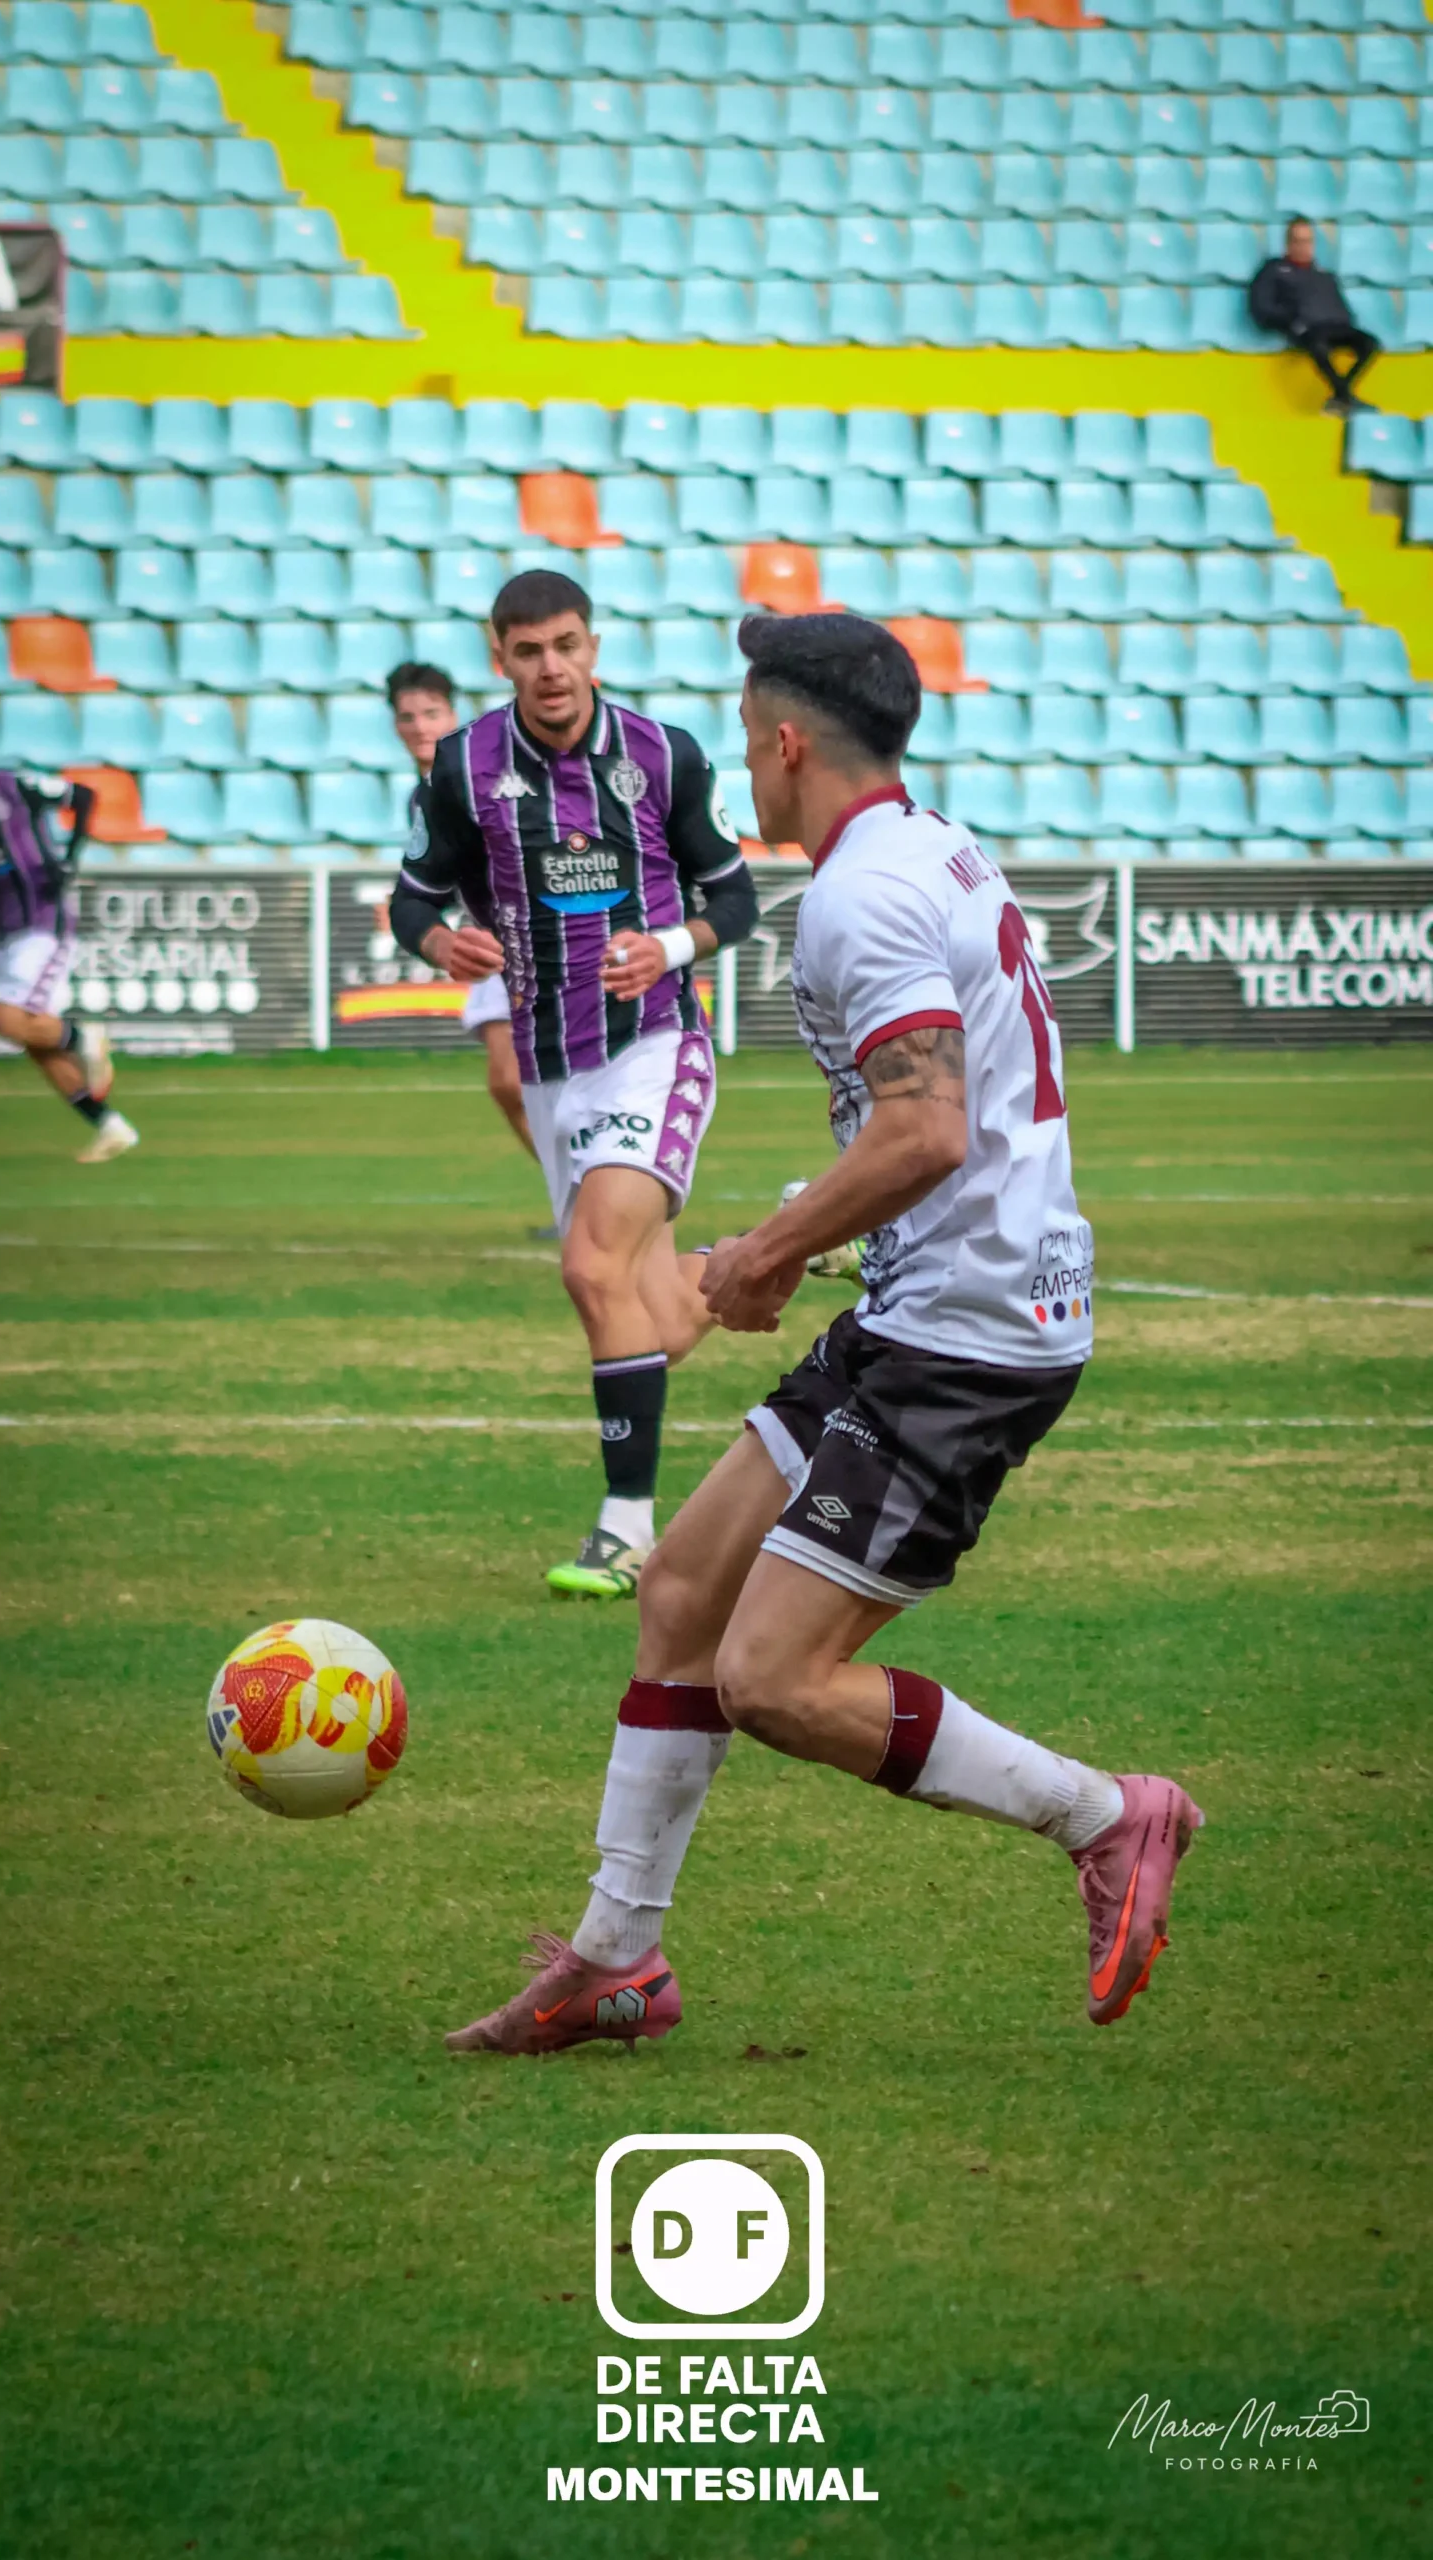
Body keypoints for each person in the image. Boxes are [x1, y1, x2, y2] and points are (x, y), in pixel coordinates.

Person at [446, 612, 1203, 2058]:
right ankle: (617, 1958)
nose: (743, 768)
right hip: (926, 1303)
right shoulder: (932, 848)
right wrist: (806, 1234)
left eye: (747, 741)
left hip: (968, 1339)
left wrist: (768, 1252)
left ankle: (1109, 1817)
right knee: (680, 1591)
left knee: (772, 1681)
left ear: (788, 742)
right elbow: (946, 1128)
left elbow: (926, 1128)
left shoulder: (861, 894)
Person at [389, 568, 757, 1598]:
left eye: (566, 645)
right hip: (551, 1066)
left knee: (592, 1270)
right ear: (499, 657)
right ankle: (788, 1240)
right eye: (529, 651)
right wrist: (441, 943)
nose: (551, 668)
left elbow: (734, 897)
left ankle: (626, 1531)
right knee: (661, 1320)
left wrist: (670, 946)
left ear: (592, 646)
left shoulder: (663, 755)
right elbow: (410, 899)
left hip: (655, 1044)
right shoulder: (463, 767)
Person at [386, 660, 535, 1161]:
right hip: (492, 940)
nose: (419, 727)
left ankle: (597, 1192)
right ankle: (579, 1192)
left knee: (539, 1082)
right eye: (407, 717)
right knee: (508, 1084)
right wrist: (423, 912)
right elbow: (446, 874)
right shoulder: (421, 797)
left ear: (452, 715)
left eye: (431, 713)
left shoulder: (487, 772)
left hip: (543, 931)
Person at [0, 767, 137, 1162]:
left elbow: (83, 795)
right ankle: (111, 1125)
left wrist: (70, 858)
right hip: (4, 932)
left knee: (7, 1019)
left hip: (42, 920)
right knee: (35, 1041)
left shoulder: (13, 784)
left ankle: (84, 1039)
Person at [1249, 218, 1380, 418]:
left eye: (1308, 241)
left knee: (1369, 343)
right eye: (1298, 241)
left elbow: (1340, 307)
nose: (1303, 247)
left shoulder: (1323, 274)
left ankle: (1341, 396)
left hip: (1335, 326)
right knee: (1318, 345)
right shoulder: (1273, 270)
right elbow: (1262, 306)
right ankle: (1345, 396)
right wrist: (1290, 321)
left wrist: (1345, 320)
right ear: (1288, 244)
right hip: (1306, 328)